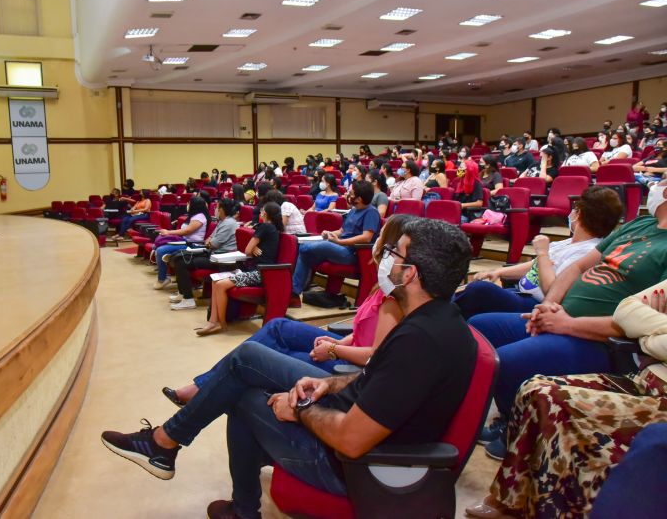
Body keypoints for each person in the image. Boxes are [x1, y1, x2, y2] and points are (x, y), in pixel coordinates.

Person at [100, 218, 476, 519]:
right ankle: (175, 451)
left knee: (244, 394)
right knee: (246, 366)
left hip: (355, 468)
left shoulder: (419, 342)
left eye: (395, 252)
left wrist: (299, 409)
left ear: (410, 273)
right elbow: (382, 380)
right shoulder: (437, 319)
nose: (385, 257)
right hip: (356, 427)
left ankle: (171, 449)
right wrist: (329, 386)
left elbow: (351, 440)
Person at [469, 180, 667, 459]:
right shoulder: (639, 225)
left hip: (599, 339)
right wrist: (547, 307)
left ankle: (516, 432)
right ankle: (509, 415)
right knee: (479, 328)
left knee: (505, 360)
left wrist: (566, 324)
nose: (658, 187)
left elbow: (643, 320)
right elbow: (577, 266)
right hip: (559, 317)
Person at [466, 280, 667, 519]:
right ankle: (514, 499)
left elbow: (653, 339)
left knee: (556, 400)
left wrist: (647, 335)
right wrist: (657, 333)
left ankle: (551, 509)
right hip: (642, 377)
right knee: (537, 389)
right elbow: (625, 309)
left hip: (660, 398)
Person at [163, 216, 409, 406]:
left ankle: (200, 391)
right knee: (277, 327)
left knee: (258, 356)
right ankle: (201, 386)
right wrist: (335, 343)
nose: (376, 243)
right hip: (348, 347)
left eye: (382, 238)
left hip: (353, 366)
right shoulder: (383, 284)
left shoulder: (395, 296)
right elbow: (361, 330)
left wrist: (333, 349)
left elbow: (376, 355)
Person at [454, 187, 623, 319]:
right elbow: (534, 266)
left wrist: (543, 253)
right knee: (472, 291)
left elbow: (553, 291)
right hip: (520, 292)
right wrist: (498, 272)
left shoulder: (587, 252)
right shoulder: (568, 242)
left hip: (535, 305)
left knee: (479, 291)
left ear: (579, 214)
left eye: (575, 208)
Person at [194, 201, 283, 336]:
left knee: (221, 284)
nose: (260, 212)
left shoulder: (265, 227)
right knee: (215, 281)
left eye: (262, 210)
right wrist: (255, 248)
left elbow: (247, 250)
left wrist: (253, 248)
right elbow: (252, 249)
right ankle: (213, 322)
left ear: (265, 213)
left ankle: (221, 323)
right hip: (259, 270)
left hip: (260, 273)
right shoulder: (272, 228)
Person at [291, 180, 381, 301]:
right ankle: (294, 293)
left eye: (351, 193)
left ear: (359, 198)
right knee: (305, 253)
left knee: (304, 248)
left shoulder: (371, 212)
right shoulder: (353, 210)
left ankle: (293, 291)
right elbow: (342, 230)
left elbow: (366, 237)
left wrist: (339, 242)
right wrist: (330, 233)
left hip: (352, 253)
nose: (348, 195)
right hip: (340, 247)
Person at [168, 199, 239, 311]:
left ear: (221, 210)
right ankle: (183, 293)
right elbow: (209, 239)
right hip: (212, 253)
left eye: (217, 207)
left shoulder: (229, 223)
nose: (215, 209)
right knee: (179, 257)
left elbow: (213, 243)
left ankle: (188, 299)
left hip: (220, 259)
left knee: (182, 263)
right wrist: (209, 241)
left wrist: (210, 241)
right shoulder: (223, 221)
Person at [152, 196, 209, 290]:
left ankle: (162, 279)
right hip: (183, 241)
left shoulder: (200, 217)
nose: (187, 205)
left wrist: (169, 232)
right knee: (156, 245)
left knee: (161, 250)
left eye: (189, 203)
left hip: (192, 244)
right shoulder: (193, 215)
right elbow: (183, 230)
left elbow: (187, 231)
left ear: (194, 205)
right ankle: (165, 274)